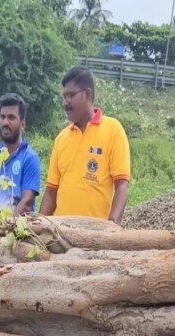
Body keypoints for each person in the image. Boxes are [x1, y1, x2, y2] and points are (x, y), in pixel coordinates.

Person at [39, 66, 131, 225]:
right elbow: (51, 192)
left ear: (87, 94)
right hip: (62, 233)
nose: (65, 103)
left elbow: (122, 185)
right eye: (64, 97)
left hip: (95, 237)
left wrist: (112, 226)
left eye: (70, 96)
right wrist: (37, 226)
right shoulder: (61, 138)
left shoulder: (113, 130)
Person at [0, 93, 41, 217]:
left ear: (23, 124)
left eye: (11, 117)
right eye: (2, 117)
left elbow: (26, 203)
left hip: (15, 233)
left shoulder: (30, 158)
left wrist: (5, 229)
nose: (5, 122)